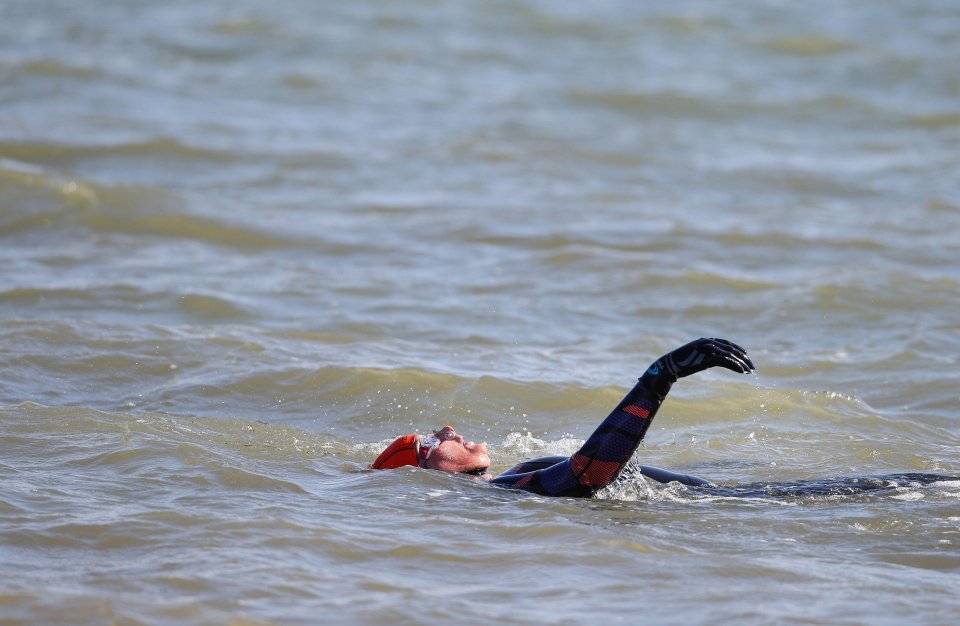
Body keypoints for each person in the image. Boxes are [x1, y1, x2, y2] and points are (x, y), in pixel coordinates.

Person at [371, 338, 754, 497]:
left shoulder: (516, 474)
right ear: (424, 472)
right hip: (745, 502)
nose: (447, 430)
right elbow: (587, 473)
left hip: (728, 493)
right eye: (429, 442)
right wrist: (659, 377)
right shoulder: (507, 492)